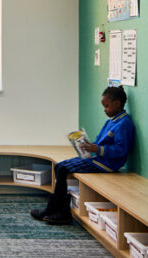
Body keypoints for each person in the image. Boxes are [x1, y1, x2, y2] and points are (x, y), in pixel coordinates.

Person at [31, 85, 135, 225]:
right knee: (59, 166)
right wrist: (87, 145)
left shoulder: (124, 124)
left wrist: (97, 149)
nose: (104, 110)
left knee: (62, 169)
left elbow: (121, 150)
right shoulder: (111, 121)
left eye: (106, 106)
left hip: (107, 164)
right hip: (97, 158)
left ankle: (58, 211)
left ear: (117, 104)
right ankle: (57, 209)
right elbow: (100, 141)